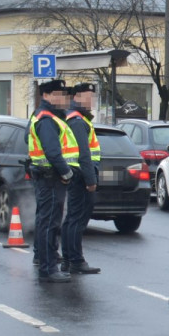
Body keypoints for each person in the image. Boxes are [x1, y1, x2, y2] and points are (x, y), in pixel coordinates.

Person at [28, 80, 78, 283]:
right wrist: (66, 173)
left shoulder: (49, 117)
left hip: (47, 176)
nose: (62, 98)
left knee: (46, 221)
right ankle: (48, 269)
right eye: (58, 94)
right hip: (50, 176)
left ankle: (45, 262)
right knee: (50, 223)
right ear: (46, 96)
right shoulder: (47, 119)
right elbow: (52, 151)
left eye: (64, 95)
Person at [60, 83, 101, 274]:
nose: (92, 100)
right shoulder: (77, 120)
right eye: (88, 96)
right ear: (77, 96)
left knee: (71, 218)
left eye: (93, 97)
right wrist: (91, 180)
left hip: (75, 174)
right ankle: (75, 260)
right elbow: (84, 154)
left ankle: (69, 259)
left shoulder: (75, 117)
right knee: (77, 219)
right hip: (81, 176)